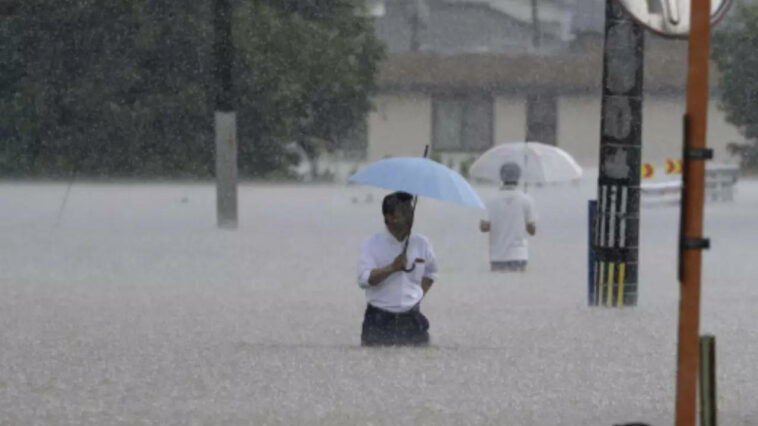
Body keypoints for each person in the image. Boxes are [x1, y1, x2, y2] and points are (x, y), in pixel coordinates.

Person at [357, 191, 438, 346]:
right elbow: (363, 279)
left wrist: (416, 297)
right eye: (405, 212)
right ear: (389, 218)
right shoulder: (372, 244)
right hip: (379, 321)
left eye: (411, 210)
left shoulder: (422, 243)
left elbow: (431, 273)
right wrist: (391, 268)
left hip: (412, 320)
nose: (411, 217)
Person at [479, 163, 537, 272]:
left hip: (497, 255)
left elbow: (483, 227)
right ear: (519, 177)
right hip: (519, 255)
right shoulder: (527, 200)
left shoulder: (491, 200)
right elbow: (532, 231)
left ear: (501, 177)